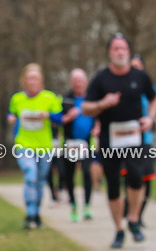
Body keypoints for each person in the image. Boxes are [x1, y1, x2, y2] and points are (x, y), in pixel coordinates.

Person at [82, 34, 156, 248]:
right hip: (109, 139)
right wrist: (102, 104)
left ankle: (133, 219)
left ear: (128, 50)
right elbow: (85, 108)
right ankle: (118, 229)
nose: (120, 52)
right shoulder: (101, 79)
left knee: (136, 177)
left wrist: (150, 118)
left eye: (123, 48)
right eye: (116, 49)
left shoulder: (140, 76)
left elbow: (155, 99)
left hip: (135, 137)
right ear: (109, 52)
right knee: (114, 185)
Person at [7, 63, 63, 229]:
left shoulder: (49, 97)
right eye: (30, 78)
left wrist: (49, 115)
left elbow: (60, 119)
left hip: (44, 147)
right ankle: (30, 214)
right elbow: (11, 113)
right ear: (24, 80)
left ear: (41, 80)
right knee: (30, 176)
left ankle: (35, 214)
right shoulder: (17, 99)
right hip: (23, 145)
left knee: (39, 182)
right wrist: (10, 118)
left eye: (36, 78)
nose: (32, 81)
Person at [123, 54, 156, 228]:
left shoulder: (150, 89)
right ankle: (130, 212)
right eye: (133, 66)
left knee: (146, 179)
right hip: (126, 140)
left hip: (145, 140)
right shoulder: (123, 86)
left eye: (138, 66)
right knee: (131, 178)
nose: (135, 69)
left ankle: (137, 215)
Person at [60, 68, 96, 222]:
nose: (78, 84)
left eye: (80, 80)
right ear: (71, 83)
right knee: (69, 175)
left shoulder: (91, 97)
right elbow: (57, 120)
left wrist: (98, 127)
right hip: (70, 142)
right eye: (75, 81)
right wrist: (68, 116)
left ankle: (87, 206)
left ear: (86, 82)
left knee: (87, 172)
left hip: (87, 142)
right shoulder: (65, 99)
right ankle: (74, 205)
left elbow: (99, 114)